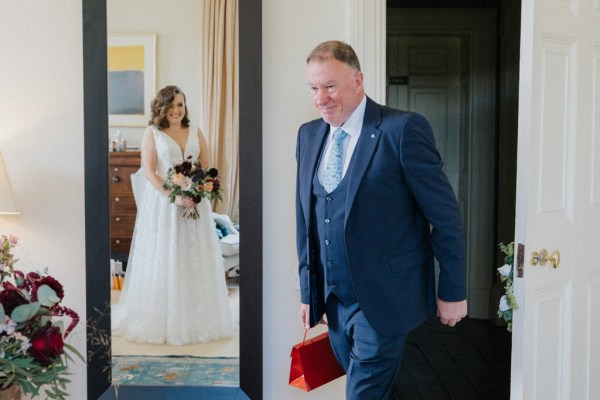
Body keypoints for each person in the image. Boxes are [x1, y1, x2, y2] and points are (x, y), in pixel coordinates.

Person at [296, 41, 468, 399]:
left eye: (330, 86)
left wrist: (452, 290)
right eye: (314, 88)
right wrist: (309, 290)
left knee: (363, 393)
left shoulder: (402, 130)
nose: (320, 98)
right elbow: (306, 219)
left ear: (357, 80)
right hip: (332, 299)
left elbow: (446, 216)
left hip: (385, 299)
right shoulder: (309, 135)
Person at [112, 85, 233, 345]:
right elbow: (149, 172)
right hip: (165, 205)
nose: (177, 110)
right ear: (162, 108)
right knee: (167, 256)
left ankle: (195, 319)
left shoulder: (195, 131)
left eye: (181, 104)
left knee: (193, 257)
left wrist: (201, 189)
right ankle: (163, 319)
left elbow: (205, 166)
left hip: (195, 204)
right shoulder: (152, 133)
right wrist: (174, 196)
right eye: (172, 105)